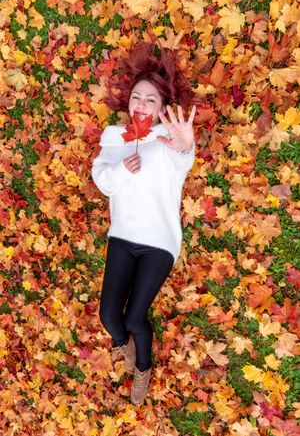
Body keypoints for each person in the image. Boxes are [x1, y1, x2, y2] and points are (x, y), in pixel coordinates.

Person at [92, 42, 198, 405]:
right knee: (109, 316)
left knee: (136, 317)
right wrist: (122, 169)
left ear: (162, 109)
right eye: (137, 96)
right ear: (128, 102)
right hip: (122, 236)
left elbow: (184, 157)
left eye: (151, 100)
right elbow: (103, 181)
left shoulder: (168, 141)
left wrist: (185, 145)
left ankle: (143, 367)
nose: (141, 104)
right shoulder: (112, 138)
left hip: (159, 242)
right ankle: (122, 347)